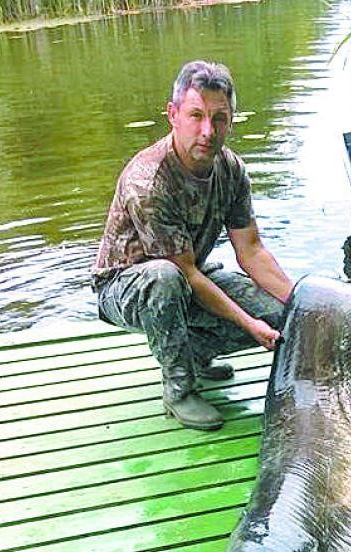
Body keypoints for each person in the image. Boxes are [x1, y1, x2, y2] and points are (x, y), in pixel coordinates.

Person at [92, 60, 293, 431]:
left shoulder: (231, 170)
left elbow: (251, 251)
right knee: (165, 278)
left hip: (191, 274)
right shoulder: (148, 180)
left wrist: (298, 301)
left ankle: (196, 355)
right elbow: (181, 271)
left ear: (231, 120)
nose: (207, 131)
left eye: (219, 118)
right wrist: (248, 323)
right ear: (173, 115)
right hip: (127, 285)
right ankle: (179, 389)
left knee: (283, 317)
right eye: (196, 115)